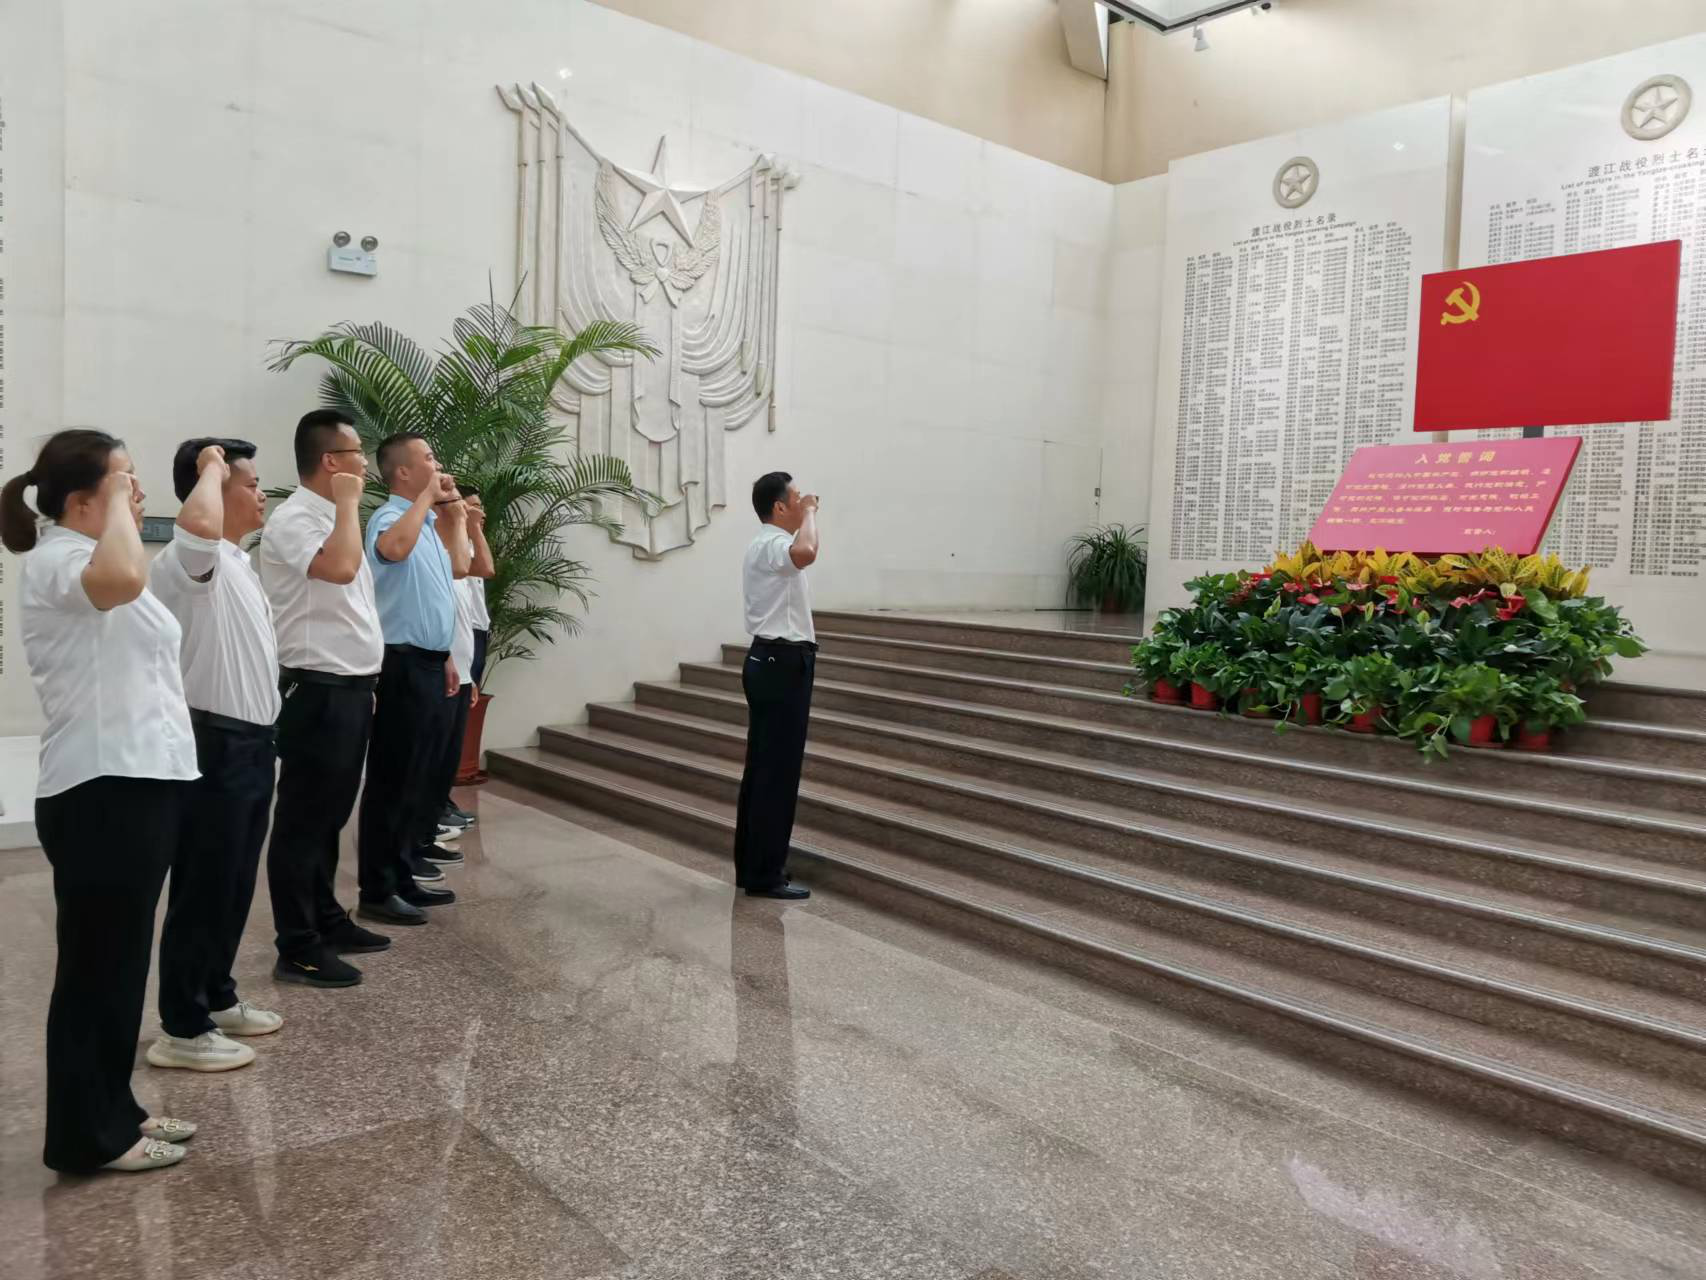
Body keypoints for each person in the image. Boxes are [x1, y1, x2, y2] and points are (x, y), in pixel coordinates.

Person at [2, 430, 200, 1174]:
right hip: (102, 791)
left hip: (136, 785)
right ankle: (88, 1138)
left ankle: (116, 1111)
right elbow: (118, 578)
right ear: (82, 501)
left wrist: (114, 497)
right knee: (97, 971)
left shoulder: (91, 555)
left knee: (118, 964)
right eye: (124, 480)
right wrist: (118, 502)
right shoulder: (59, 560)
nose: (139, 491)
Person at [145, 439, 284, 1072]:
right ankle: (182, 1026)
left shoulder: (236, 561)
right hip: (214, 742)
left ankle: (217, 995)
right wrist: (209, 464)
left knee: (233, 880)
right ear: (215, 489)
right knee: (203, 885)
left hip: (251, 741)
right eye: (249, 483)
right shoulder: (187, 558)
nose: (262, 494)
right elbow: (198, 527)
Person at [259, 410, 392, 987]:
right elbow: (338, 570)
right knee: (304, 819)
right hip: (317, 687)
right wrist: (347, 504)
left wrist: (367, 681)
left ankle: (328, 919)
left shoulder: (334, 517)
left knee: (331, 814)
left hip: (349, 687)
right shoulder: (295, 519)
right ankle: (298, 945)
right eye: (357, 452)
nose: (366, 462)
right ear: (331, 462)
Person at [357, 432, 470, 923]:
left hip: (429, 660)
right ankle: (377, 889)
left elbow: (444, 589)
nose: (437, 463)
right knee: (393, 777)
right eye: (428, 457)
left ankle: (402, 875)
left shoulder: (426, 526)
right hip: (399, 662)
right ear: (402, 472)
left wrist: (445, 655)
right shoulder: (391, 518)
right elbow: (391, 550)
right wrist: (427, 498)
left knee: (417, 775)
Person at [733, 472, 820, 901]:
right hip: (781, 663)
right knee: (777, 773)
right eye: (796, 498)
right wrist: (812, 513)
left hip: (769, 661)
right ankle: (765, 874)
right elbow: (807, 552)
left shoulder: (764, 545)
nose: (802, 502)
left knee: (762, 770)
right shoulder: (773, 543)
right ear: (780, 507)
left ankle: (753, 866)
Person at [436, 487, 494, 838]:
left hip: (470, 639)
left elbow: (486, 568)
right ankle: (434, 809)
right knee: (439, 741)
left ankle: (442, 803)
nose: (476, 513)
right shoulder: (442, 550)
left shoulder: (465, 544)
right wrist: (465, 524)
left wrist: (472, 528)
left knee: (453, 740)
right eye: (466, 506)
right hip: (447, 652)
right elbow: (460, 570)